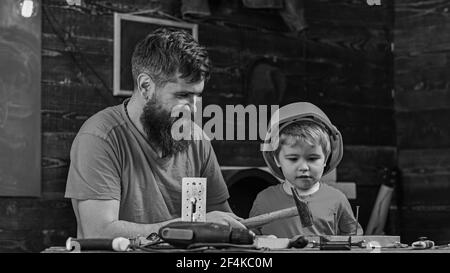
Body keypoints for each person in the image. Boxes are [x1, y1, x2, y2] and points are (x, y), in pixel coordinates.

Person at [65, 28, 245, 239]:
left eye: (197, 96)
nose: (194, 108)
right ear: (145, 86)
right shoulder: (100, 137)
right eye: (183, 95)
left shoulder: (196, 140)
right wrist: (193, 226)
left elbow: (222, 220)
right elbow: (99, 232)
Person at [249, 102, 363, 238]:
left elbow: (355, 239)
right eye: (293, 159)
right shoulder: (264, 200)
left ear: (326, 159)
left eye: (313, 158)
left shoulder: (337, 199)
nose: (304, 167)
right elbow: (250, 240)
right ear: (277, 160)